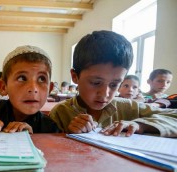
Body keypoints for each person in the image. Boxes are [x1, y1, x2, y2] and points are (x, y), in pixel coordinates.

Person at [49, 30, 177, 137]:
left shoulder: (128, 108)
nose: (105, 94)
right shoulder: (60, 113)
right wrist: (69, 134)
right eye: (95, 82)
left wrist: (141, 125)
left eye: (114, 85)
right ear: (75, 77)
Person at [0, 45, 59, 134]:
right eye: (22, 78)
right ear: (3, 87)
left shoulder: (50, 127)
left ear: (50, 89)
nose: (33, 89)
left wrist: (33, 138)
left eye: (41, 79)